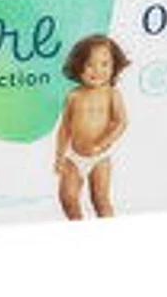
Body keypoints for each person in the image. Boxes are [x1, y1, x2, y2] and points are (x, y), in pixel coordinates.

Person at [55, 35, 129, 218]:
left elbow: (121, 122)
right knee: (67, 197)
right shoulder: (74, 96)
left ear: (114, 66)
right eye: (90, 65)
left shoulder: (111, 94)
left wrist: (102, 143)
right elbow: (65, 127)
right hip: (74, 156)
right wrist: (59, 155)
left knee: (100, 199)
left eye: (105, 64)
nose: (98, 71)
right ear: (78, 66)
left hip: (100, 157)